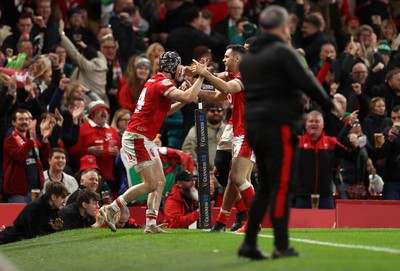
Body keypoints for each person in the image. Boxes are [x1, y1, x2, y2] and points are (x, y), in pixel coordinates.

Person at [237, 6, 338, 260]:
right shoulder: (282, 51)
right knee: (283, 185)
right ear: (284, 28)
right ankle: (281, 245)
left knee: (268, 185)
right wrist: (328, 103)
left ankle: (249, 243)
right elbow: (306, 81)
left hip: (255, 125)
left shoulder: (249, 58)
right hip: (278, 123)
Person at [99, 51, 204, 233]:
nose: (180, 68)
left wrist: (185, 94)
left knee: (160, 181)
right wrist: (201, 77)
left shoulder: (156, 81)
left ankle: (151, 223)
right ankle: (111, 209)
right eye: (178, 65)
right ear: (172, 67)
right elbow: (188, 98)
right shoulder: (163, 83)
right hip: (137, 138)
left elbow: (166, 112)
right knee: (150, 184)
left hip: (143, 137)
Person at [193, 44, 255, 233]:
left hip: (248, 131)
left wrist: (205, 74)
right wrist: (195, 88)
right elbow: (218, 94)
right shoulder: (234, 74)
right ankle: (235, 218)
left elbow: (227, 87)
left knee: (237, 177)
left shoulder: (248, 75)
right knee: (223, 172)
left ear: (237, 58)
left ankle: (249, 219)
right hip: (235, 128)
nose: (223, 60)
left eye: (226, 57)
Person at [3, 109, 53, 203]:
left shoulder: (32, 139)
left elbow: (44, 158)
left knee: (36, 217)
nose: (24, 122)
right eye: (21, 119)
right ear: (14, 122)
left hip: (36, 188)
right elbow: (19, 156)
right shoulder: (10, 140)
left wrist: (45, 139)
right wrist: (31, 140)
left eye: (26, 119)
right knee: (19, 217)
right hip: (18, 191)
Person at [0, 182, 69, 245]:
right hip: (9, 240)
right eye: (62, 198)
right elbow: (34, 235)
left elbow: (44, 233)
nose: (64, 201)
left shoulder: (54, 209)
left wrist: (55, 229)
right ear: (53, 197)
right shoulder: (34, 209)